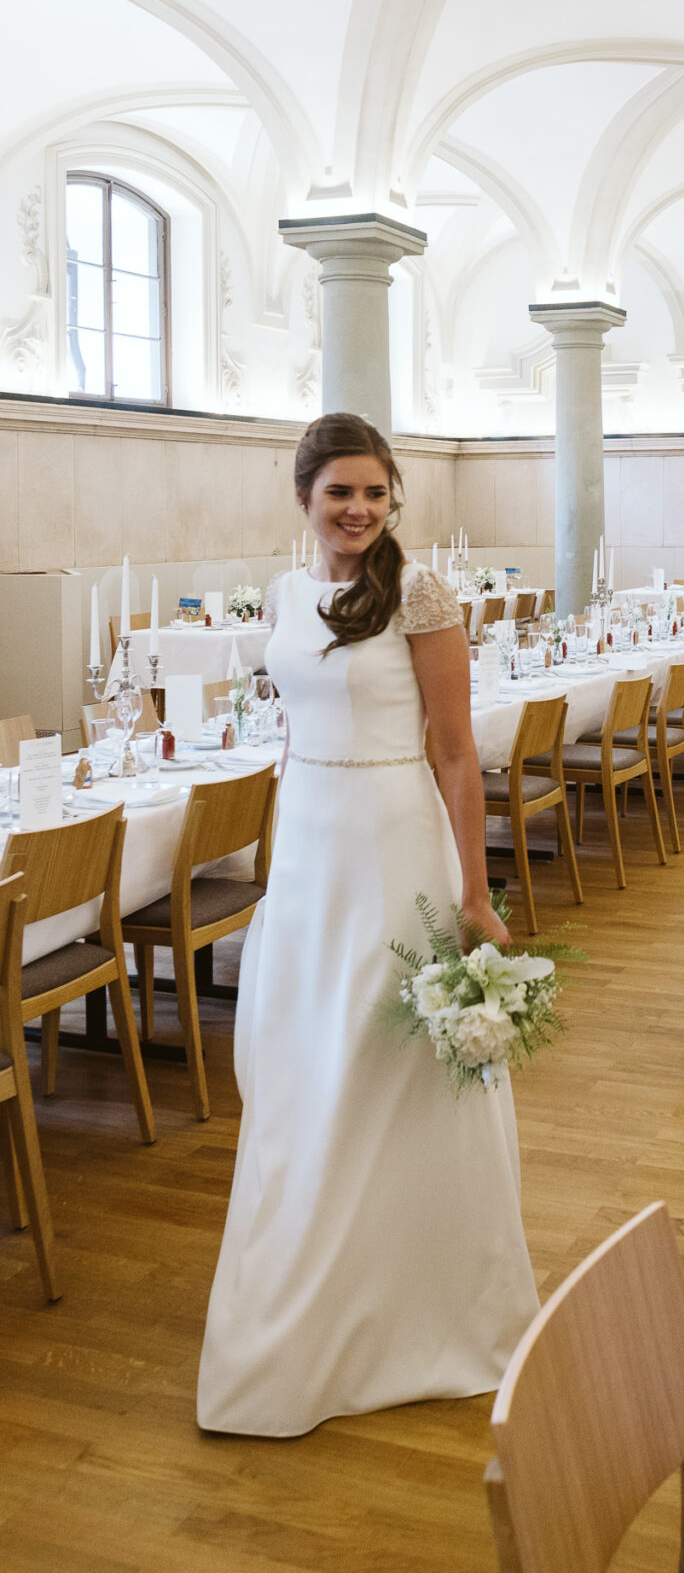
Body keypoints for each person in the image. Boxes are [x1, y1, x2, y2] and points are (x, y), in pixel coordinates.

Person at [198, 412, 539, 1436]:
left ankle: (418, 1299)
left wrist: (474, 894)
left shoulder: (423, 594)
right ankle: (302, 1280)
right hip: (308, 842)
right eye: (339, 490)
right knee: (299, 1058)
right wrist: (282, 849)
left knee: (382, 1058)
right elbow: (298, 726)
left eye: (374, 493)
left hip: (394, 834)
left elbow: (455, 753)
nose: (356, 509)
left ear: (394, 500)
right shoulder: (284, 592)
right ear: (304, 493)